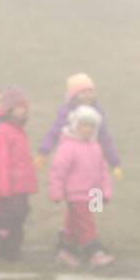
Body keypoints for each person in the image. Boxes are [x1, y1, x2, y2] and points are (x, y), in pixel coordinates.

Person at [46, 104, 115, 268]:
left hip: (94, 193)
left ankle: (66, 249)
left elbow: (102, 170)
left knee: (76, 221)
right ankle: (94, 252)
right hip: (77, 194)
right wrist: (56, 191)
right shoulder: (68, 147)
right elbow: (58, 171)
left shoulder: (96, 147)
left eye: (92, 126)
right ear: (75, 125)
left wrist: (104, 192)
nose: (88, 129)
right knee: (86, 222)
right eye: (84, 125)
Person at [0, 86, 36, 260]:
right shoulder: (4, 130)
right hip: (9, 187)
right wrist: (3, 188)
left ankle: (11, 249)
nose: (23, 112)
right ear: (10, 109)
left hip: (21, 186)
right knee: (10, 214)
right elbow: (1, 162)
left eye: (25, 108)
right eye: (19, 108)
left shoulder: (18, 129)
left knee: (21, 214)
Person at [35, 73, 122, 180]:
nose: (87, 95)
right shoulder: (67, 113)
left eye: (90, 91)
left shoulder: (97, 113)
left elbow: (105, 138)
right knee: (76, 188)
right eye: (83, 92)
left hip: (93, 157)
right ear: (73, 95)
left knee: (95, 190)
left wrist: (114, 163)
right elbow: (54, 133)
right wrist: (43, 153)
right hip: (73, 159)